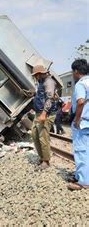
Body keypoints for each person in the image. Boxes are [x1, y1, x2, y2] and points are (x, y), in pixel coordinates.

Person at [30, 64, 58, 170]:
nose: (35, 77)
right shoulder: (41, 82)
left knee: (43, 137)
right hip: (39, 113)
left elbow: (50, 98)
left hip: (46, 114)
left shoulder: (49, 82)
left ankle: (46, 161)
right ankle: (42, 157)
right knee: (34, 134)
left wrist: (44, 113)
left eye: (36, 75)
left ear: (40, 74)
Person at [67, 59, 89, 190]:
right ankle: (82, 175)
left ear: (76, 71)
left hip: (84, 123)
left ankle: (83, 181)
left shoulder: (81, 84)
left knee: (81, 151)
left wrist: (77, 119)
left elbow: (80, 102)